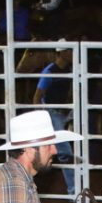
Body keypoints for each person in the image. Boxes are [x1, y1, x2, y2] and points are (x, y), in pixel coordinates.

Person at [33, 41, 76, 194]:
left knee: (63, 153)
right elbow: (37, 97)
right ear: (62, 53)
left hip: (63, 112)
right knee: (66, 154)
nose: (72, 54)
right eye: (69, 51)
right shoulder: (50, 71)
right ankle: (74, 191)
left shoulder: (67, 69)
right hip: (53, 113)